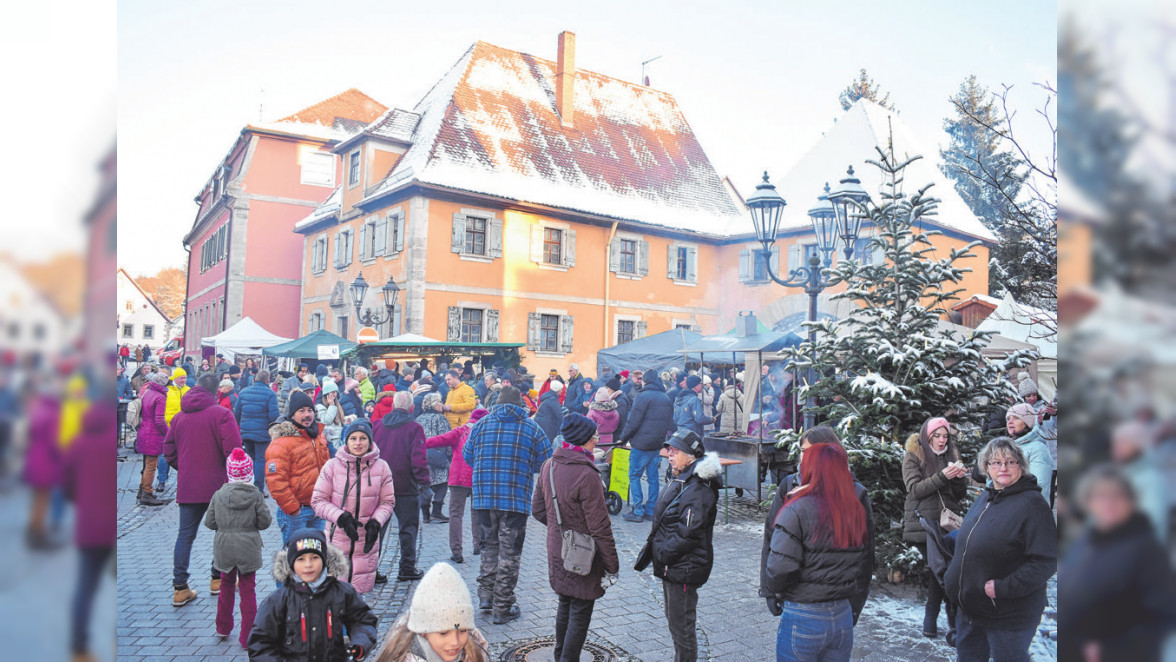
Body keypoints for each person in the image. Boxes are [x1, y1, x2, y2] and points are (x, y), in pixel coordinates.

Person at [944, 437, 1058, 662]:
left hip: (1008, 616)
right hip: (972, 610)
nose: (1003, 467)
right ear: (986, 468)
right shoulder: (987, 497)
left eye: (1010, 462)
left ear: (1021, 466)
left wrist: (1003, 588)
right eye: (995, 462)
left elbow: (1046, 561)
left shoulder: (1032, 505)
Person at [763, 441, 870, 662]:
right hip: (841, 615)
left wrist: (777, 592)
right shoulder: (854, 510)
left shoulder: (796, 509)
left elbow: (779, 568)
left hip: (804, 614)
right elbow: (863, 563)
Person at [1058, 464, 1176, 662]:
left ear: (1131, 501)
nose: (1109, 502)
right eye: (1100, 496)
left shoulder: (1146, 548)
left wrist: (1112, 651)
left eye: (1118, 495)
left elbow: (1163, 615)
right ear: (1088, 502)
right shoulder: (1089, 540)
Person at [532, 413, 620, 662]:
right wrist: (612, 565)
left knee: (565, 604)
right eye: (594, 436)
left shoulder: (549, 465)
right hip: (584, 553)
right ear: (583, 439)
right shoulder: (587, 474)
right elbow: (600, 527)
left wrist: (561, 531)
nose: (597, 440)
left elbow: (537, 510)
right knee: (580, 610)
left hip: (557, 548)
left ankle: (560, 655)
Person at [464, 386, 552, 624]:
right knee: (509, 553)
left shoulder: (481, 424)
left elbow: (467, 455)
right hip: (515, 500)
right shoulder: (531, 427)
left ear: (496, 403)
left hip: (483, 499)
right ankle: (502, 607)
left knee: (489, 547)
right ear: (520, 405)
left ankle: (486, 596)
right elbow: (546, 460)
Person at [637, 429, 720, 662]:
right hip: (672, 564)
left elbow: (689, 532)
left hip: (683, 566)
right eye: (669, 450)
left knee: (682, 626)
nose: (669, 455)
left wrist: (663, 552)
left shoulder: (697, 488)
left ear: (691, 455)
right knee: (675, 622)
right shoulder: (682, 478)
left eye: (675, 451)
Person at [163, 372, 244, 608]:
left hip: (189, 486)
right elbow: (234, 451)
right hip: (218, 485)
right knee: (223, 531)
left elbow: (168, 451)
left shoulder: (179, 417)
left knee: (185, 535)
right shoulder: (221, 414)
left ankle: (180, 588)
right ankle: (217, 578)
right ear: (217, 390)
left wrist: (185, 468)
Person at [247, 528, 379, 661]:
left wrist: (360, 643)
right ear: (291, 563)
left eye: (315, 557)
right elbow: (260, 644)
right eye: (301, 559)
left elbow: (363, 620)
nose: (308, 565)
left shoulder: (343, 592)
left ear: (325, 559)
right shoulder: (278, 600)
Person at [311, 419, 396, 594]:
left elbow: (387, 502)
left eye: (363, 438)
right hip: (337, 540)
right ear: (346, 441)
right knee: (335, 597)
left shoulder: (382, 467)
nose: (358, 443)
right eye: (354, 438)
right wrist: (340, 517)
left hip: (366, 541)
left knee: (359, 600)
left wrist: (376, 521)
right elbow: (318, 501)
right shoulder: (332, 466)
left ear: (370, 441)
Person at [902, 417, 967, 640]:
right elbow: (915, 489)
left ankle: (937, 623)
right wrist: (942, 476)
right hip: (923, 524)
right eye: (936, 436)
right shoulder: (914, 454)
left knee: (944, 571)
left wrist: (958, 478)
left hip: (947, 524)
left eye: (945, 436)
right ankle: (942, 621)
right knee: (939, 572)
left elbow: (959, 494)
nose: (942, 440)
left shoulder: (951, 455)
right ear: (926, 436)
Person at [63, 402, 116, 662]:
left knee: (85, 586)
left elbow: (66, 486)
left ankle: (78, 645)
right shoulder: (109, 445)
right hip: (111, 526)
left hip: (88, 525)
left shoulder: (78, 444)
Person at [204, 448, 272, 649]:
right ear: (249, 472)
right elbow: (265, 522)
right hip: (248, 547)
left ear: (230, 473)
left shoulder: (219, 495)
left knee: (225, 586)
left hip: (224, 546)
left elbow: (210, 522)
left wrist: (223, 526)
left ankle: (223, 627)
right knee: (247, 590)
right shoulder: (255, 495)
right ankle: (247, 636)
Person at [373, 563, 491, 662]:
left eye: (462, 631)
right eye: (443, 633)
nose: (455, 642)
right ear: (423, 632)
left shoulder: (474, 647)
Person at [372, 391, 430, 582]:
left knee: (376, 529)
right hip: (406, 486)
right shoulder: (414, 428)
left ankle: (371, 571)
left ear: (393, 406)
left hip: (380, 486)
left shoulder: (377, 426)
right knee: (408, 528)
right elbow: (418, 459)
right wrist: (424, 482)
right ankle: (406, 568)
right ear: (412, 407)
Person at [265, 389, 331, 546]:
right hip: (297, 513)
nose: (307, 414)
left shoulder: (318, 436)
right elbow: (276, 482)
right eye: (301, 411)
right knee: (295, 559)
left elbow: (328, 470)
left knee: (317, 557)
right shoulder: (281, 442)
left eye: (310, 410)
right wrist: (294, 509)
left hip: (318, 508)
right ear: (292, 415)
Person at [426, 408, 489, 564]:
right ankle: (478, 545)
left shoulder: (461, 431)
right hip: (479, 477)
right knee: (478, 511)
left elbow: (440, 439)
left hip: (459, 476)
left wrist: (421, 442)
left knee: (455, 514)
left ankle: (456, 551)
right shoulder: (488, 433)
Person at [617, 366, 674, 523]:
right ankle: (651, 509)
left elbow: (633, 422)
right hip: (657, 443)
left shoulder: (642, 397)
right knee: (653, 477)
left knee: (634, 475)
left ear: (645, 381)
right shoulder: (666, 398)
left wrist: (622, 438)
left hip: (641, 444)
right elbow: (670, 422)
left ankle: (637, 511)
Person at [234, 370, 279, 495]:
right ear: (268, 381)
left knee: (250, 458)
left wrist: (242, 426)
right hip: (262, 433)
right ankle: (258, 489)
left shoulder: (243, 392)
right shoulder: (270, 394)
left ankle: (248, 485)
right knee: (260, 460)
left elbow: (237, 413)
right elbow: (274, 415)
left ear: (254, 379)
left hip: (246, 431)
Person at [1004, 403, 1054, 506]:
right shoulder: (1006, 447)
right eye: (1008, 419)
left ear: (1027, 423)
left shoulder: (1038, 448)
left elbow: (1039, 486)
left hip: (1028, 511)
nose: (1010, 422)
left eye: (1016, 418)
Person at [134, 372, 171, 506]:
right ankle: (147, 493)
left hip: (144, 431)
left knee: (146, 463)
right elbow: (159, 420)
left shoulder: (148, 392)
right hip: (153, 434)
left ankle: (142, 490)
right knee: (151, 465)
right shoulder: (160, 397)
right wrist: (168, 433)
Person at [417, 392, 452, 525]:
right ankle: (436, 512)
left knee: (424, 485)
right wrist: (450, 454)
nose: (441, 405)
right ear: (433, 404)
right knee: (442, 483)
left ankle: (425, 514)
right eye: (439, 402)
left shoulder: (419, 419)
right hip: (438, 456)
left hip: (421, 456)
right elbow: (447, 437)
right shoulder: (440, 419)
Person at [157, 367, 190, 494]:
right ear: (175, 378)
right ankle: (162, 480)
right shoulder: (167, 391)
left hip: (185, 428)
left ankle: (183, 480)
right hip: (169, 426)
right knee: (164, 454)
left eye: (185, 377)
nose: (184, 380)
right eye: (181, 378)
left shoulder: (188, 391)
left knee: (184, 455)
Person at [316, 378, 346, 455]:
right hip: (330, 440)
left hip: (339, 439)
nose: (334, 394)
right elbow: (326, 421)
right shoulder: (320, 406)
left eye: (335, 392)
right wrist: (331, 405)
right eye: (332, 392)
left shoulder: (337, 404)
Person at [533, 379, 564, 443]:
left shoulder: (547, 397)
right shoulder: (553, 400)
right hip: (548, 428)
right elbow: (560, 416)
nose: (561, 391)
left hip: (541, 425)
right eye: (561, 389)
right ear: (557, 390)